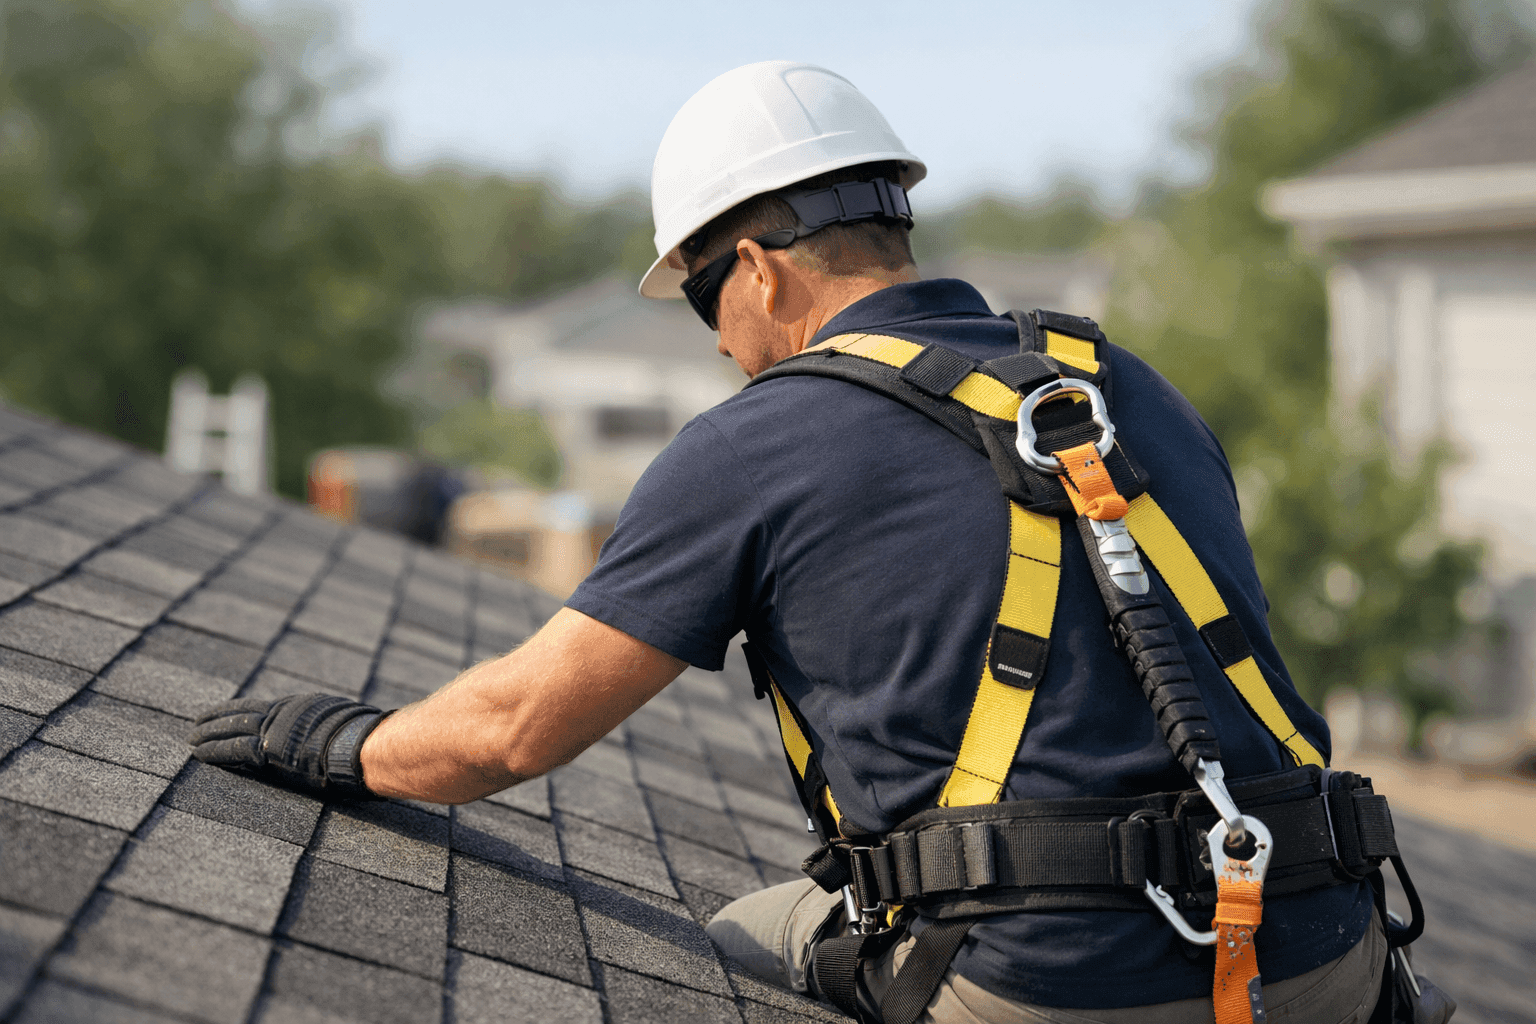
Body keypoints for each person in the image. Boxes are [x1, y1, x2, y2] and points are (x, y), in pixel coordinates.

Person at [191, 62, 1436, 1024]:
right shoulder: (1121, 385)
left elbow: (515, 727)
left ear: (759, 271)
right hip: (1323, 952)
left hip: (1056, 990)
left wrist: (342, 747)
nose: (716, 341)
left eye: (698, 298)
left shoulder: (760, 440)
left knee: (730, 943)